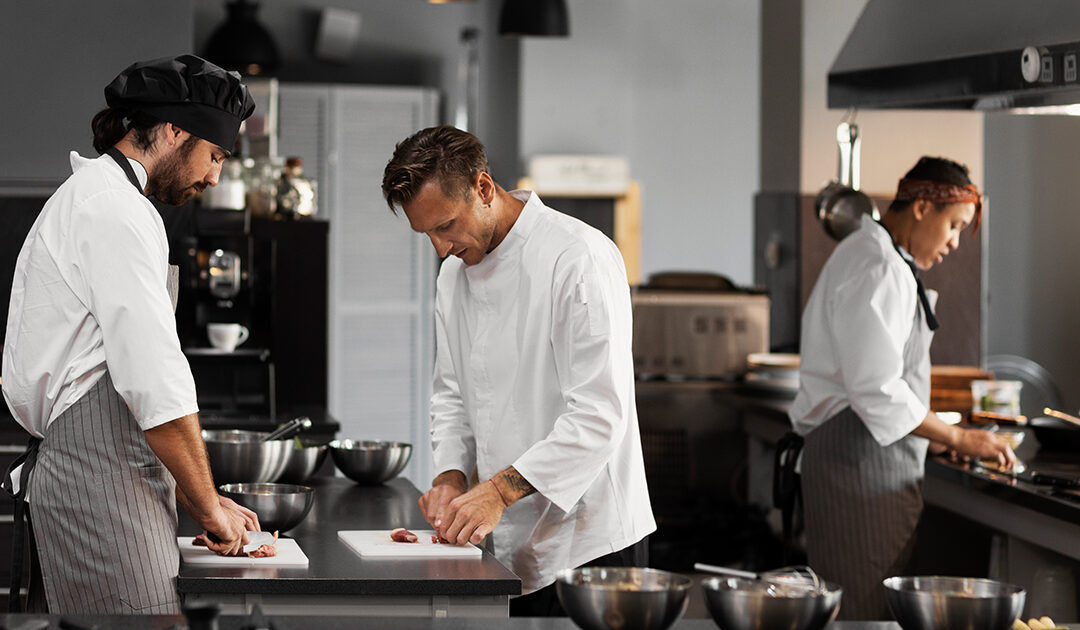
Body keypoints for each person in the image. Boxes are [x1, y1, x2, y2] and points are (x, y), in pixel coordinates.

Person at [1, 54, 261, 614]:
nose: (215, 176)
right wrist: (208, 508)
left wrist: (204, 494)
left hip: (100, 472)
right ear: (173, 133)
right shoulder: (114, 210)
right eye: (214, 155)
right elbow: (155, 382)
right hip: (99, 481)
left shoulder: (101, 200)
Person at [381, 125, 656, 616]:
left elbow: (598, 416)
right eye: (427, 235)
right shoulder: (452, 275)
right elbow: (452, 394)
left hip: (590, 545)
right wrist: (450, 477)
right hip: (506, 539)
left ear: (483, 188)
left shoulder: (578, 257)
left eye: (446, 225)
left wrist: (497, 492)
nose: (441, 248)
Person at [787, 156, 1016, 620]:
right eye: (953, 226)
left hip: (865, 458)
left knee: (859, 606)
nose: (954, 242)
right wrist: (956, 436)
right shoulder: (879, 264)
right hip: (858, 463)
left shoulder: (875, 254)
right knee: (865, 610)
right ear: (922, 208)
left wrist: (927, 442)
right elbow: (876, 389)